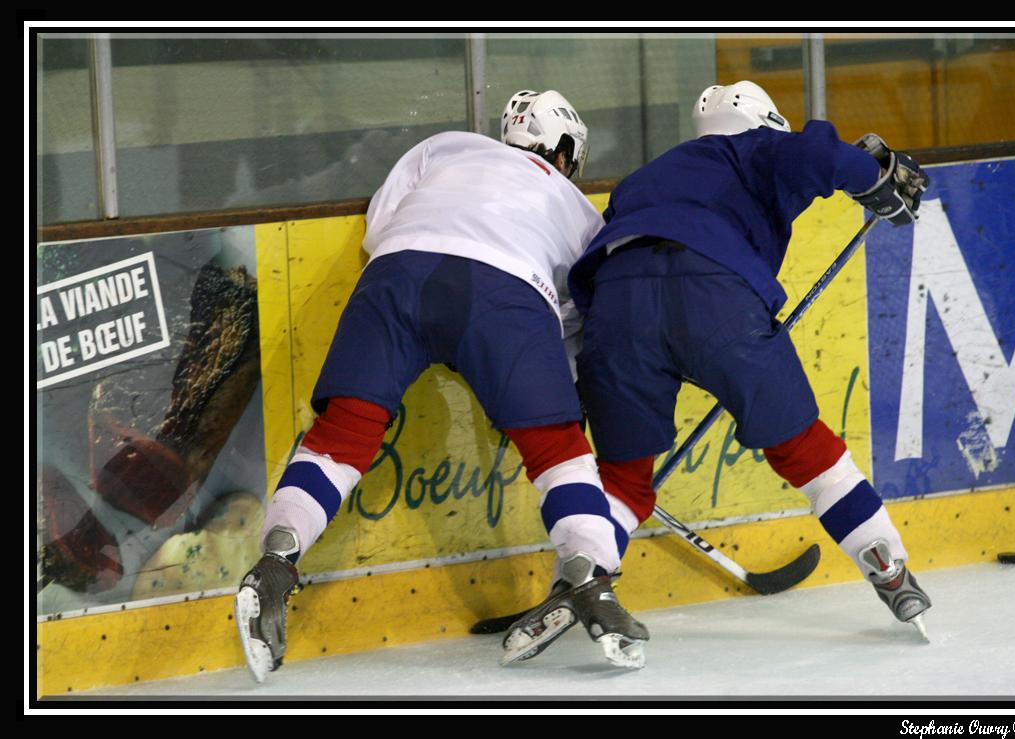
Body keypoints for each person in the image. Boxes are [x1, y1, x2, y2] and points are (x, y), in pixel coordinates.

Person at [235, 90, 649, 683]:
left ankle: (276, 560)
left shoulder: (446, 148)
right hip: (506, 291)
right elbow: (577, 310)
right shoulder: (578, 207)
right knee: (559, 450)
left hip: (397, 273)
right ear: (564, 152)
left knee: (341, 438)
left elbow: (382, 225)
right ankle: (588, 575)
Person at [567, 81, 933, 637]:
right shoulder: (756, 146)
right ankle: (883, 559)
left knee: (624, 477)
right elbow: (821, 154)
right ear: (766, 122)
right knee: (802, 445)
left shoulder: (644, 177)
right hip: (717, 297)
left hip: (618, 305)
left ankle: (582, 574)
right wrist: (875, 179)